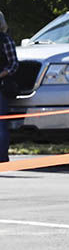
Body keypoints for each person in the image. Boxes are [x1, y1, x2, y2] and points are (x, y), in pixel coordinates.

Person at [0, 10, 17, 163]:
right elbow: (13, 65)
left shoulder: (5, 40)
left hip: (1, 87)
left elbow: (13, 65)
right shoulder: (6, 40)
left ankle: (2, 159)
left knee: (1, 124)